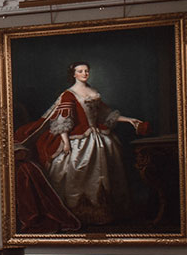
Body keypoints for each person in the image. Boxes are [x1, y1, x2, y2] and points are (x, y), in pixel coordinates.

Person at [12, 61, 149, 229]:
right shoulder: (69, 94)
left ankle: (106, 212)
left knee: (108, 159)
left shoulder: (94, 92)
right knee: (75, 168)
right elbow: (63, 121)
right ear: (74, 74)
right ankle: (78, 212)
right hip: (78, 140)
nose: (84, 73)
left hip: (99, 136)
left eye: (86, 70)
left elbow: (105, 115)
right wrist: (66, 142)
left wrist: (129, 120)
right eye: (80, 71)